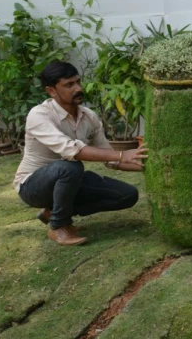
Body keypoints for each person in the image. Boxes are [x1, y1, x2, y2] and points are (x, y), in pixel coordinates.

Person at [14, 61, 148, 246]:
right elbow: (73, 151)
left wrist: (148, 165)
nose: (77, 88)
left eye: (78, 82)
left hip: (69, 180)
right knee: (69, 166)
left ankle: (53, 212)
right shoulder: (39, 115)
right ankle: (58, 226)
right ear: (52, 91)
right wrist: (122, 155)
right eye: (69, 85)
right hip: (32, 186)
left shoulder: (88, 116)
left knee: (127, 194)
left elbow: (109, 158)